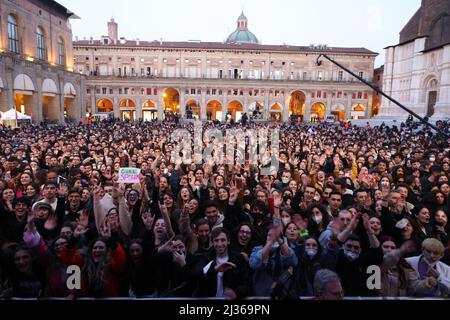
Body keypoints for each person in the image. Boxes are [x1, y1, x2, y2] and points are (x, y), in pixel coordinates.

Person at [198, 228, 249, 299]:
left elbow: (246, 282)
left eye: (223, 240)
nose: (219, 244)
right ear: (212, 242)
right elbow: (198, 276)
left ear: (228, 241)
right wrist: (214, 269)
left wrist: (236, 293)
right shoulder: (206, 258)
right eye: (216, 240)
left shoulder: (238, 259)